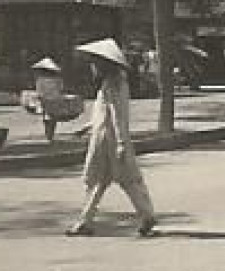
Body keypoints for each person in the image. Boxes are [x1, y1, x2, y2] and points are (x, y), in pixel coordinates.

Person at [66, 38, 159, 237]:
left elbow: (117, 115)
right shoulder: (111, 84)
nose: (91, 66)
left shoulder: (115, 84)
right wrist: (87, 127)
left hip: (109, 139)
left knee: (120, 180)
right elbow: (104, 114)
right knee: (105, 182)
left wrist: (121, 143)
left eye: (94, 62)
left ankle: (146, 215)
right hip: (105, 137)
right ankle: (86, 221)